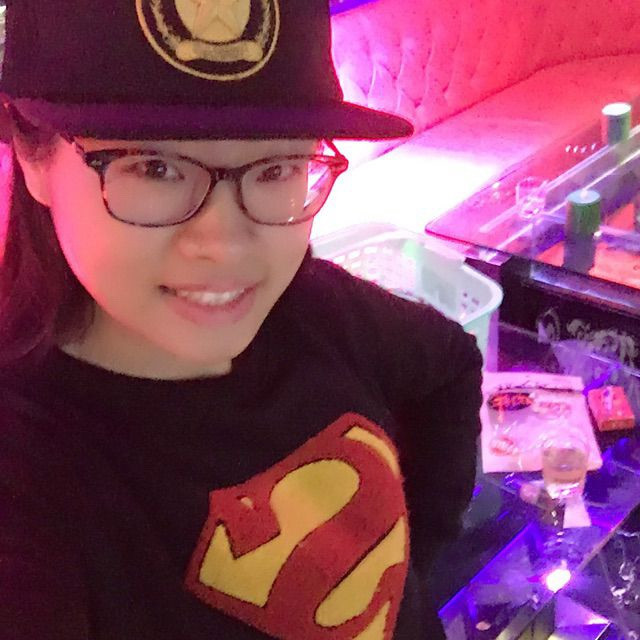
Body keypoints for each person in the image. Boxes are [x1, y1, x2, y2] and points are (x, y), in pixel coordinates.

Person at [0, 1, 483, 638]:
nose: (226, 244)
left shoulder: (314, 308)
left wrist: (409, 582)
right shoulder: (30, 485)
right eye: (154, 167)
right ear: (31, 154)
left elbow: (450, 363)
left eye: (277, 168)